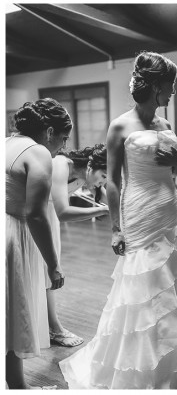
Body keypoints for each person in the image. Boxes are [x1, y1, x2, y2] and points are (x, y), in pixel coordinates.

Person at [59, 51, 177, 389]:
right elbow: (115, 180)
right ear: (155, 86)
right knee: (143, 290)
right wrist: (116, 227)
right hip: (138, 212)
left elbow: (174, 172)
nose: (173, 92)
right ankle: (142, 368)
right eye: (170, 85)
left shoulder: (165, 125)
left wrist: (176, 162)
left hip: (168, 211)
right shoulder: (120, 125)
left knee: (173, 287)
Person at [6, 98, 71, 389]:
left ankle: (16, 382)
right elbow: (35, 214)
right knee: (14, 308)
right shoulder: (39, 152)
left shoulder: (6, 143)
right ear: (48, 131)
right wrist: (53, 264)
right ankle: (18, 386)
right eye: (63, 137)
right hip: (14, 234)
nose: (64, 146)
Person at [41, 144, 109, 348]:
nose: (102, 182)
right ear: (91, 165)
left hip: (49, 217)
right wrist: (102, 211)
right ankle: (54, 327)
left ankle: (50, 326)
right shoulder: (61, 165)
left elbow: (111, 201)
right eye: (103, 175)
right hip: (36, 217)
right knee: (44, 272)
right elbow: (64, 212)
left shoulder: (87, 176)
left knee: (46, 275)